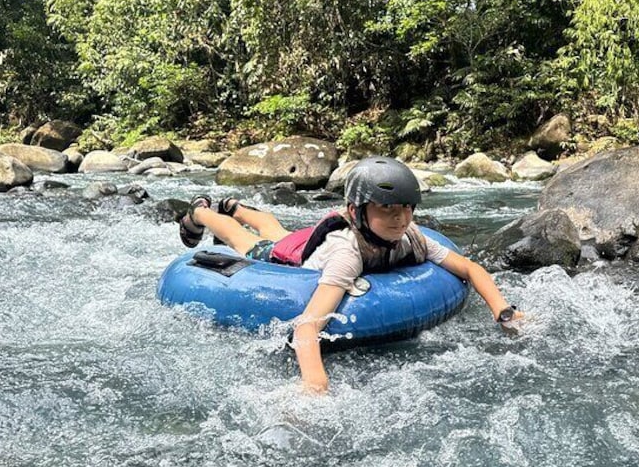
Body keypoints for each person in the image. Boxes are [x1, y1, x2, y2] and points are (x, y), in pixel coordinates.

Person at [178, 156, 523, 393]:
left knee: (277, 229)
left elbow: (469, 268)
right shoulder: (348, 254)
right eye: (386, 208)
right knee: (251, 241)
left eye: (406, 207)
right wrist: (315, 384)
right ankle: (202, 212)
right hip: (295, 260)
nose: (399, 218)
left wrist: (503, 312)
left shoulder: (411, 236)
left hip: (313, 242)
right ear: (358, 211)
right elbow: (308, 324)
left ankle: (236, 206)